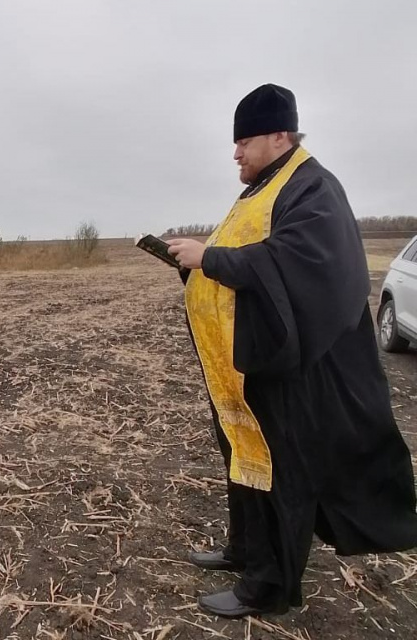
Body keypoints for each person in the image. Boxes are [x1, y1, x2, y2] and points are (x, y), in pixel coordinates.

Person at [166, 83, 417, 618]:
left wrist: (210, 258)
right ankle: (245, 552)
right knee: (243, 458)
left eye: (244, 141)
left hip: (291, 367)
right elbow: (244, 254)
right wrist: (198, 263)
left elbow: (295, 262)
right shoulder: (263, 187)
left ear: (280, 135)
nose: (235, 153)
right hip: (246, 365)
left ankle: (270, 587)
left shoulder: (314, 188)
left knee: (281, 472)